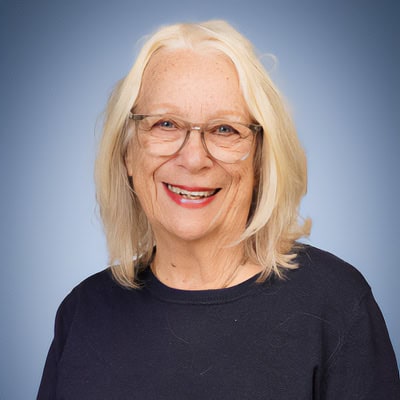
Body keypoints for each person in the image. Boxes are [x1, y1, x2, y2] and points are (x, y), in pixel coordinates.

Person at [37, 20, 399, 399]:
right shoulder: (83, 313)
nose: (193, 159)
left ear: (261, 157)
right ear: (128, 151)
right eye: (165, 123)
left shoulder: (336, 305)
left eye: (225, 129)